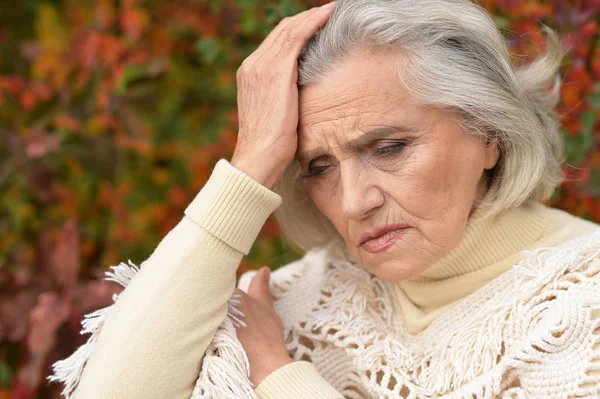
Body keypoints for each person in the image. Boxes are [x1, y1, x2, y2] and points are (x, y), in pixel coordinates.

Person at [48, 0, 600, 398]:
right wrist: (250, 165)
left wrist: (277, 375)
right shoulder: (289, 306)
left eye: (389, 147)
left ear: (489, 134)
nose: (355, 201)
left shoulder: (583, 303)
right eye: (319, 167)